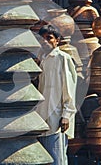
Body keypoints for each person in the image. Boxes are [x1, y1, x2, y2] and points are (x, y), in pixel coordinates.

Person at [36, 25, 77, 165]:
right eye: (42, 39)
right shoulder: (42, 59)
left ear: (57, 40)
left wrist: (66, 115)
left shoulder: (63, 58)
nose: (45, 42)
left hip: (57, 117)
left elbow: (69, 88)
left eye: (49, 38)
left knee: (57, 158)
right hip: (42, 115)